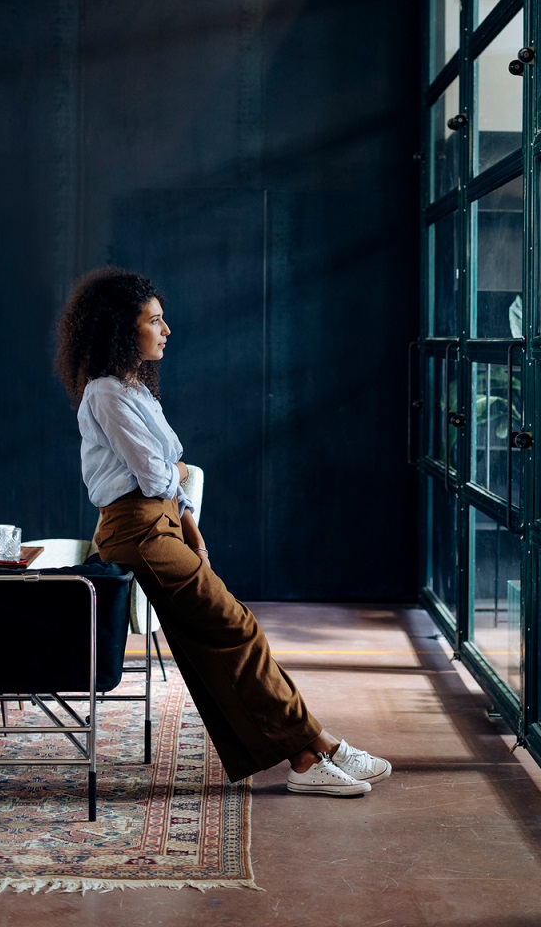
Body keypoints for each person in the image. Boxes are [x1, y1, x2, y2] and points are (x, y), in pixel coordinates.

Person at [55, 266, 391, 797]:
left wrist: (188, 518)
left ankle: (307, 756)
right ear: (124, 329)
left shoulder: (134, 388)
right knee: (236, 627)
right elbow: (156, 472)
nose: (167, 331)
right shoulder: (105, 394)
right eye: (155, 321)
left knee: (215, 640)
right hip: (134, 529)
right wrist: (178, 482)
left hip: (159, 523)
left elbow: (172, 473)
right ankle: (318, 746)